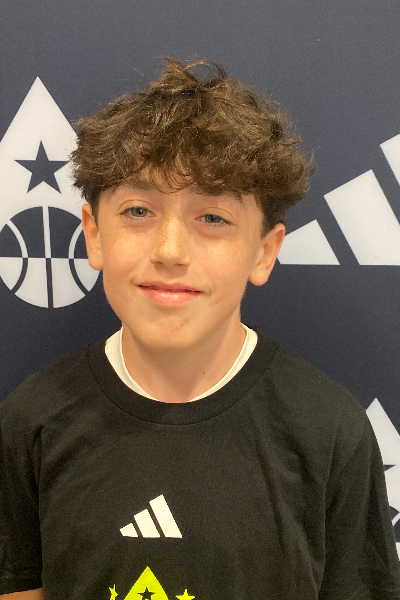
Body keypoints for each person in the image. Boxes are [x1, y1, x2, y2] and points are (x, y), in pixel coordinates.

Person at [1, 57, 399, 600]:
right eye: (138, 211)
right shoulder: (31, 422)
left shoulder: (329, 431)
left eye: (212, 218)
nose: (170, 251)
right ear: (93, 235)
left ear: (264, 251)